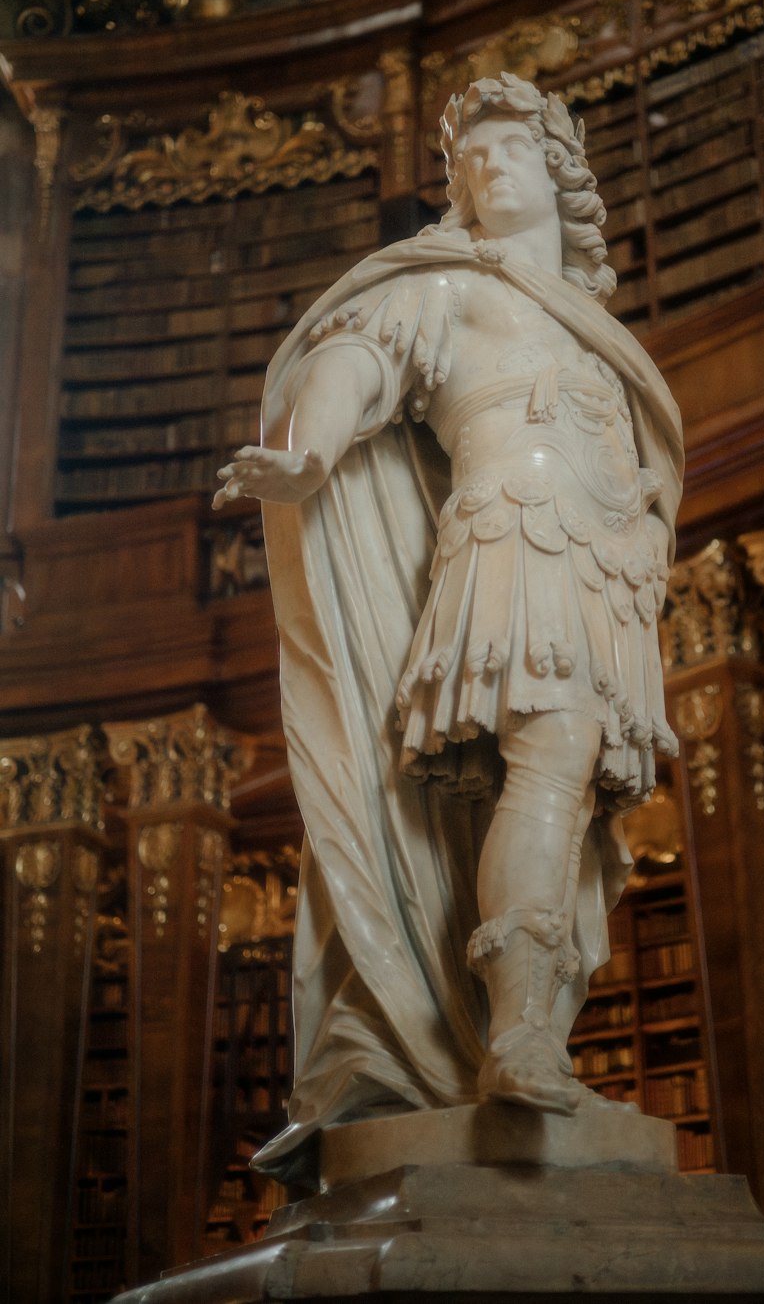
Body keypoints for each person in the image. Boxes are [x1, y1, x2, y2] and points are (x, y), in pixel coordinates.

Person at [214, 72, 683, 1181]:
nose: (482, 168)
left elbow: (644, 460)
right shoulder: (445, 283)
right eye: (466, 159)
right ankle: (517, 1038)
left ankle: (523, 1033)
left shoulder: (591, 330)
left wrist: (649, 524)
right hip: (509, 539)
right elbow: (360, 355)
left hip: (602, 569)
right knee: (552, 755)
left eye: (506, 149)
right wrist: (312, 452)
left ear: (560, 175)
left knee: (563, 802)